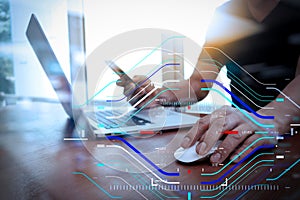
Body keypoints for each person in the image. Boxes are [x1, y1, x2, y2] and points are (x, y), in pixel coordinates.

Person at [117, 0, 300, 165]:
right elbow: (198, 83)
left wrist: (269, 119)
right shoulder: (226, 14)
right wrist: (156, 95)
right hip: (236, 133)